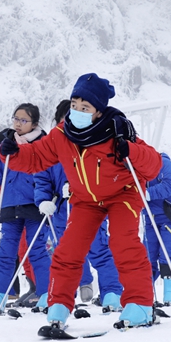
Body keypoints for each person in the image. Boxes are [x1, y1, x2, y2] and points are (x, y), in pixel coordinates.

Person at [2, 73, 163, 330]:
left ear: (98, 111)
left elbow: (153, 164)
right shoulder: (62, 134)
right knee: (68, 250)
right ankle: (59, 304)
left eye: (84, 107)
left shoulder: (117, 129)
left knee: (123, 243)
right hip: (86, 199)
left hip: (123, 193)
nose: (76, 111)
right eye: (74, 104)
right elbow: (36, 158)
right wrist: (11, 152)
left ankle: (141, 304)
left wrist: (130, 150)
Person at [0, 104, 55, 313]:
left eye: (23, 120)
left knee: (37, 251)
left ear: (34, 123)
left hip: (35, 205)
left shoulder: (44, 144)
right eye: (15, 118)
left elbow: (51, 172)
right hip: (10, 206)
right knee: (6, 252)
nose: (18, 123)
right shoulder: (5, 145)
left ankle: (45, 294)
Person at [46, 99, 123, 309]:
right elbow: (42, 177)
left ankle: (112, 293)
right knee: (65, 256)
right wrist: (43, 199)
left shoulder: (91, 143)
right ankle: (63, 298)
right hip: (62, 213)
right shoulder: (54, 146)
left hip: (89, 207)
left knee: (98, 250)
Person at [144, 152, 171, 306]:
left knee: (168, 253)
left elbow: (169, 186)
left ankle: (170, 291)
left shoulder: (164, 164)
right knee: (148, 254)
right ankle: (145, 291)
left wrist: (146, 194)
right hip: (151, 217)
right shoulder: (139, 169)